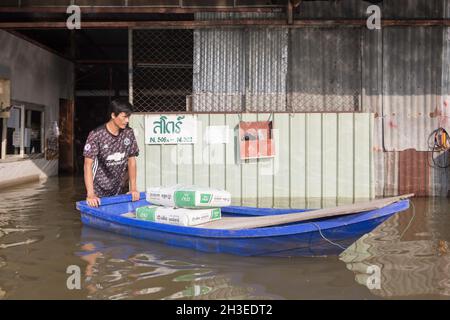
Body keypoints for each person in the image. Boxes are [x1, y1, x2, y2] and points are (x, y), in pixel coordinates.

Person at [83, 99, 140, 207]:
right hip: (98, 189)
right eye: (124, 117)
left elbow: (131, 161)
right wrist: (90, 194)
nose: (127, 120)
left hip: (118, 187)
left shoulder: (129, 133)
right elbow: (87, 164)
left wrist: (133, 188)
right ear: (113, 115)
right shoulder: (96, 135)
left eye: (129, 117)